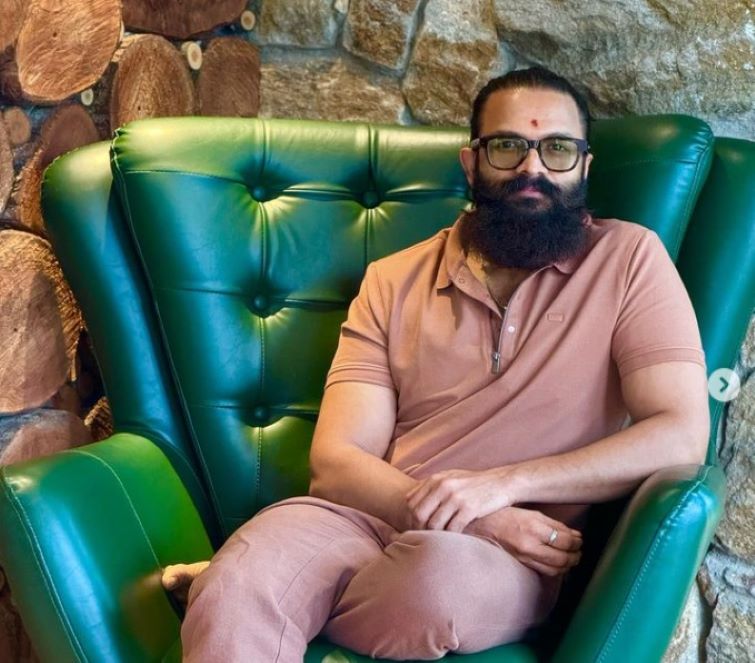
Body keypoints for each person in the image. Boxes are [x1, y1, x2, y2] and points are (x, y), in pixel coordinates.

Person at [168, 66, 710, 661]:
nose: (532, 168)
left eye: (557, 149)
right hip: (366, 519)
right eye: (508, 147)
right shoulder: (393, 279)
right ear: (471, 163)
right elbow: (338, 461)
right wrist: (472, 516)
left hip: (505, 555)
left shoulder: (630, 260)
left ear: (584, 165)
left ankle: (277, 602)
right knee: (243, 581)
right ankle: (245, 593)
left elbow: (680, 435)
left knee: (434, 587)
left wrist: (503, 488)